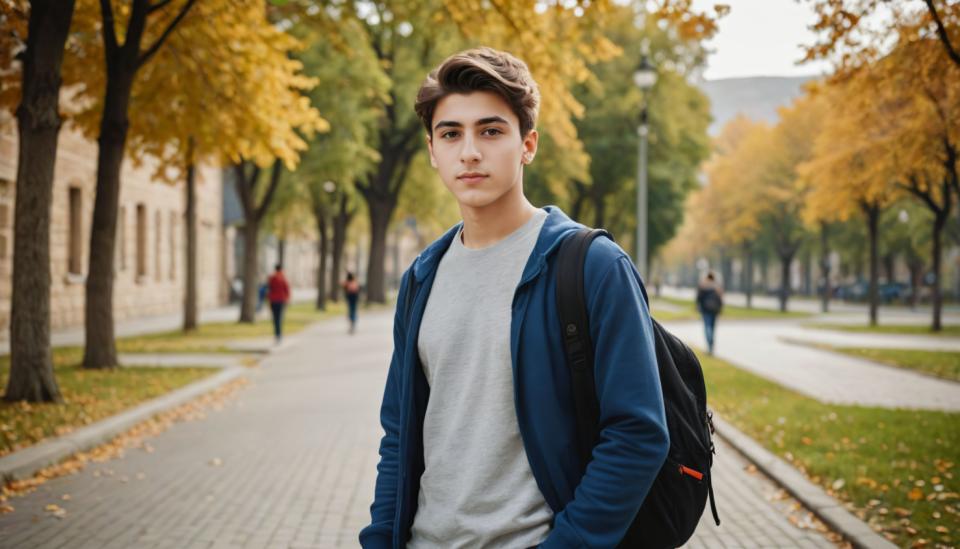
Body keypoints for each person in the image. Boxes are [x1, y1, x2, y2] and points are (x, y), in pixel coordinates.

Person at [359, 47, 668, 549]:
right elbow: (399, 433)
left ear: (528, 145)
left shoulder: (593, 266)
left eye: (491, 131)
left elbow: (638, 434)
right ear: (433, 150)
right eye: (451, 134)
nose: (470, 152)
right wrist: (380, 537)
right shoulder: (421, 277)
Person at [695, 271, 724, 355]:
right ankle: (711, 346)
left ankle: (709, 345)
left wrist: (698, 306)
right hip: (714, 310)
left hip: (706, 309)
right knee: (712, 328)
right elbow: (720, 299)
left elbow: (699, 298)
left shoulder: (703, 286)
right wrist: (720, 308)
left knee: (707, 327)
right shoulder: (717, 288)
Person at [267, 264, 290, 343]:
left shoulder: (271, 278)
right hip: (281, 300)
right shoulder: (283, 278)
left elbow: (269, 289)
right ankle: (279, 335)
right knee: (279, 318)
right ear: (281, 269)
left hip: (273, 301)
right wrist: (287, 299)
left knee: (275, 318)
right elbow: (287, 290)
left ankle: (277, 334)